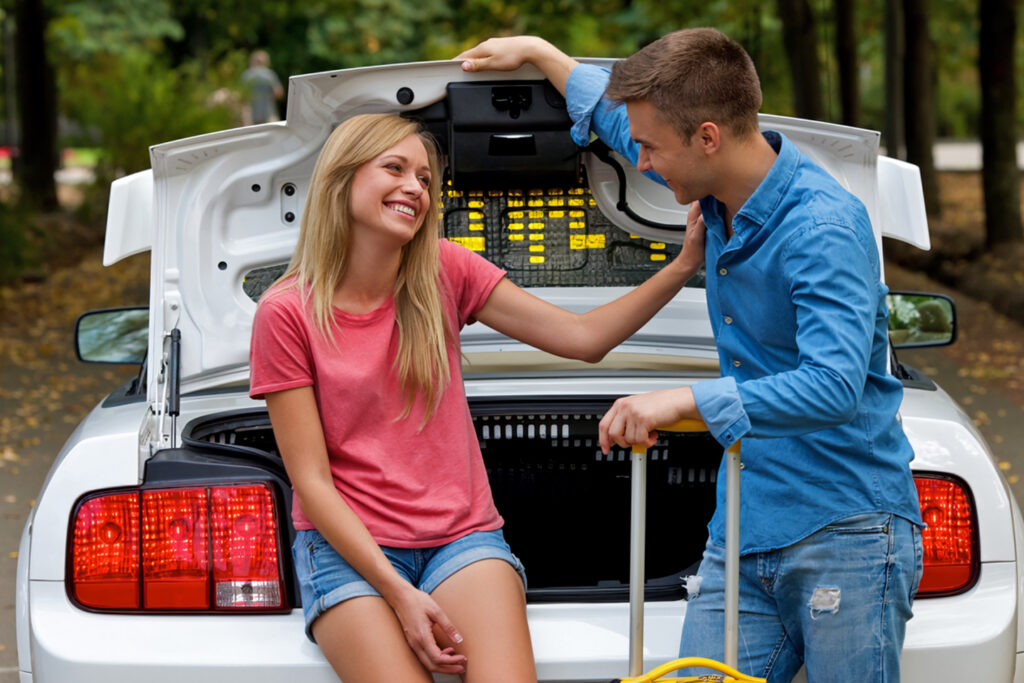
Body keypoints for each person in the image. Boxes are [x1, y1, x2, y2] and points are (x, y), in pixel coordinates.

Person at [457, 31, 924, 683]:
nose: (640, 161)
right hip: (745, 526)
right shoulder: (708, 173)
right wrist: (540, 53)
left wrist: (686, 399)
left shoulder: (822, 228)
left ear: (708, 137)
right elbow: (614, 117)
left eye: (651, 148)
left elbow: (834, 385)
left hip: (845, 529)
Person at [249, 113, 705, 682]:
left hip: (461, 538)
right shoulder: (285, 313)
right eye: (394, 168)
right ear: (341, 180)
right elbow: (312, 483)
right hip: (349, 554)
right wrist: (399, 596)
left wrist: (685, 265)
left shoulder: (443, 270)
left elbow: (583, 339)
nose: (414, 187)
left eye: (424, 178)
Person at [241, 49, 284, 125]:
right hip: (264, 115)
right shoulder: (269, 74)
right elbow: (279, 93)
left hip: (258, 116)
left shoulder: (246, 75)